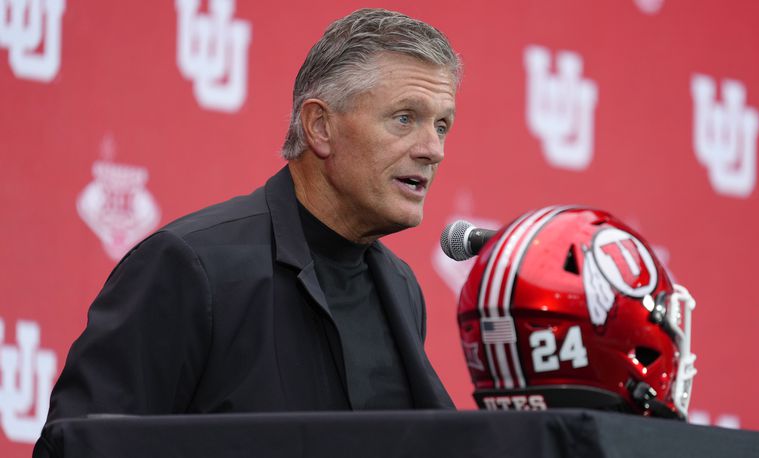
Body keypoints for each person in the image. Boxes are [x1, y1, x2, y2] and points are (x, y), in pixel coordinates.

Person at [42, 8, 460, 423]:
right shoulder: (190, 267)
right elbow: (85, 442)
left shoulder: (402, 288)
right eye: (405, 119)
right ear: (319, 127)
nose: (433, 149)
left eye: (441, 126)